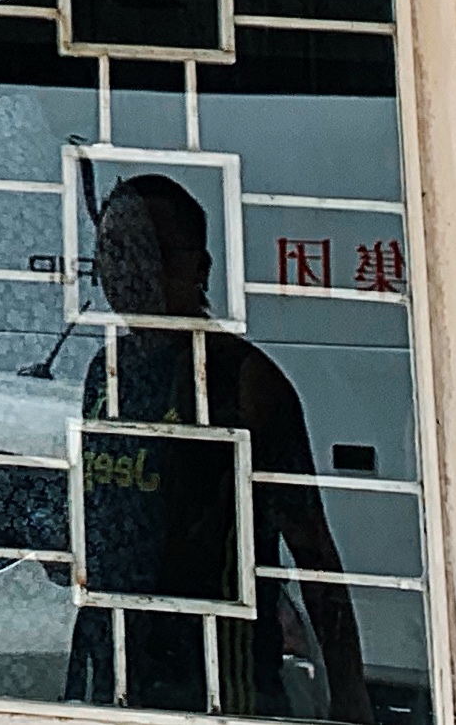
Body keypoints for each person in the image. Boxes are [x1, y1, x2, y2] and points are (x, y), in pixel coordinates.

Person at [65, 175, 370, 722]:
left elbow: (313, 552)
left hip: (217, 681)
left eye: (149, 250)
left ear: (199, 268)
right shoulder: (105, 373)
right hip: (114, 670)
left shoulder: (244, 382)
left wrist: (350, 695)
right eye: (112, 250)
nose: (128, 269)